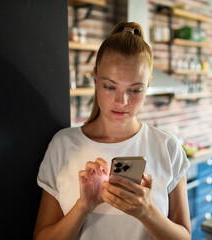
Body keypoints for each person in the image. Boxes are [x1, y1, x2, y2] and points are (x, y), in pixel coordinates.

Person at [33, 22, 191, 240]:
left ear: (148, 86)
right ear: (96, 78)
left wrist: (147, 212)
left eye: (135, 90)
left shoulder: (167, 147)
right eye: (110, 87)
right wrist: (83, 207)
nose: (122, 101)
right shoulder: (63, 145)